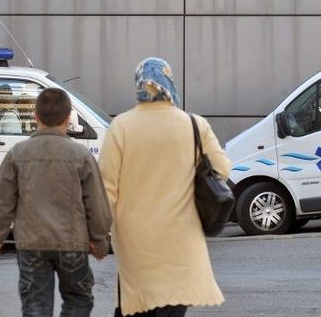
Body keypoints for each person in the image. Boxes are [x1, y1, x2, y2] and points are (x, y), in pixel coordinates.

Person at [98, 57, 231, 317]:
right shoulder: (194, 125)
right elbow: (222, 170)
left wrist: (97, 235)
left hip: (136, 241)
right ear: (168, 82)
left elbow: (106, 188)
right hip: (181, 239)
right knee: (172, 308)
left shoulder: (121, 126)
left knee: (136, 307)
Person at [0, 87, 113, 316]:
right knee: (79, 300)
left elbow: (1, 200)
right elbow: (96, 203)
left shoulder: (18, 153)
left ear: (35, 117)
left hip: (31, 243)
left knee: (35, 306)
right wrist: (99, 240)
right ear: (68, 117)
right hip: (72, 243)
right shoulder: (80, 155)